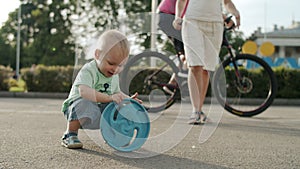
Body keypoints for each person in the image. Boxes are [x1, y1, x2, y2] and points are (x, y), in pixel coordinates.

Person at [61, 30, 141, 149]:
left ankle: (112, 137)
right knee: (84, 103)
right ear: (98, 54)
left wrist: (128, 100)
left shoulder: (113, 76)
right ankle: (70, 134)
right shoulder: (88, 70)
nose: (115, 69)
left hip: (100, 110)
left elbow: (116, 93)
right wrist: (109, 98)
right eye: (111, 63)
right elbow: (84, 92)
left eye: (120, 65)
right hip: (77, 110)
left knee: (118, 107)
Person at [173, 0, 240, 124]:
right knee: (194, 65)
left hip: (215, 25)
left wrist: (236, 13)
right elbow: (181, 1)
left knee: (206, 69)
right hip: (192, 21)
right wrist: (178, 16)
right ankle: (195, 111)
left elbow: (226, 2)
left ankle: (199, 109)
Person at [157, 0, 188, 94]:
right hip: (168, 16)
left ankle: (173, 82)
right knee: (186, 51)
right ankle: (181, 76)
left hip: (167, 15)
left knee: (185, 52)